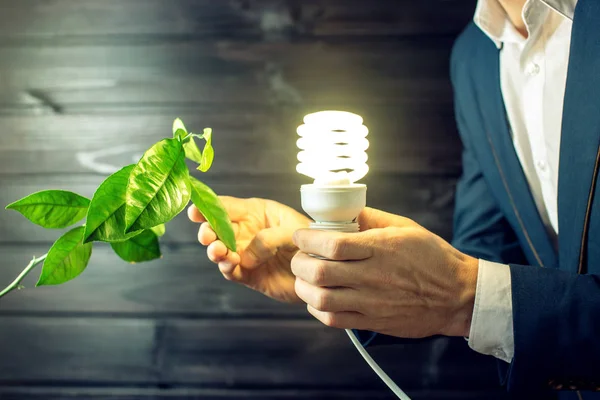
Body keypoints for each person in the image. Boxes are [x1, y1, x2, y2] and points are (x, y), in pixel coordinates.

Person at [188, 0, 600, 396]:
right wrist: (337, 264)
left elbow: (475, 288)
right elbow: (490, 260)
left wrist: (463, 295)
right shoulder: (475, 56)